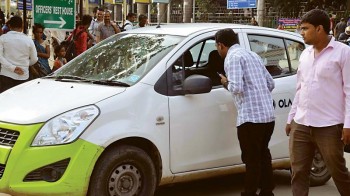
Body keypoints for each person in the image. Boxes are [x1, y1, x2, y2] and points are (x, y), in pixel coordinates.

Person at [285, 9, 350, 196]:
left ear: (320, 28)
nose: (301, 33)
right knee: (298, 172)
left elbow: (349, 91)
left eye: (305, 28)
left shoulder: (344, 53)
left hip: (329, 125)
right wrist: (291, 118)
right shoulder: (305, 54)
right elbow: (300, 88)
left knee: (338, 172)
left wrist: (348, 124)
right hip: (302, 123)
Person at [215, 28, 275, 196]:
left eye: (217, 47)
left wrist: (225, 82)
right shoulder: (253, 55)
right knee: (263, 155)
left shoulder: (232, 58)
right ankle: (267, 191)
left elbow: (237, 87)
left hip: (250, 118)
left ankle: (249, 192)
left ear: (221, 45)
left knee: (251, 158)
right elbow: (270, 84)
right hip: (267, 116)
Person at [0, 16, 38, 93]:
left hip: (6, 75)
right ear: (22, 26)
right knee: (21, 101)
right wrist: (25, 64)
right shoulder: (29, 40)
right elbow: (34, 59)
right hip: (23, 76)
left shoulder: (3, 38)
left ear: (10, 26)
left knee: (6, 101)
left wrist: (13, 68)